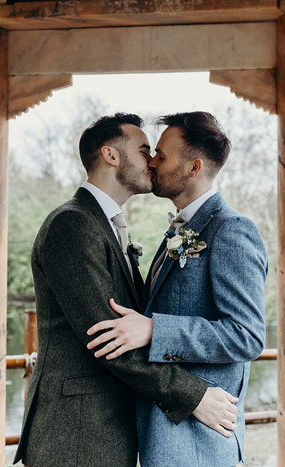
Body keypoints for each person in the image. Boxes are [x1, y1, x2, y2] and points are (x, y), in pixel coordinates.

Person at [14, 113, 239, 467]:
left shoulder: (105, 225)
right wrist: (194, 396)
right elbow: (108, 336)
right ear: (111, 156)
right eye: (144, 149)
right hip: (76, 433)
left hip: (103, 429)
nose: (152, 160)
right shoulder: (72, 224)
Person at [87, 111, 268, 466]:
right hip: (163, 437)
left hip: (199, 443)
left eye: (161, 155)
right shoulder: (178, 231)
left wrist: (154, 329)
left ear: (193, 167)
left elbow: (247, 335)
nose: (151, 162)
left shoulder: (231, 230)